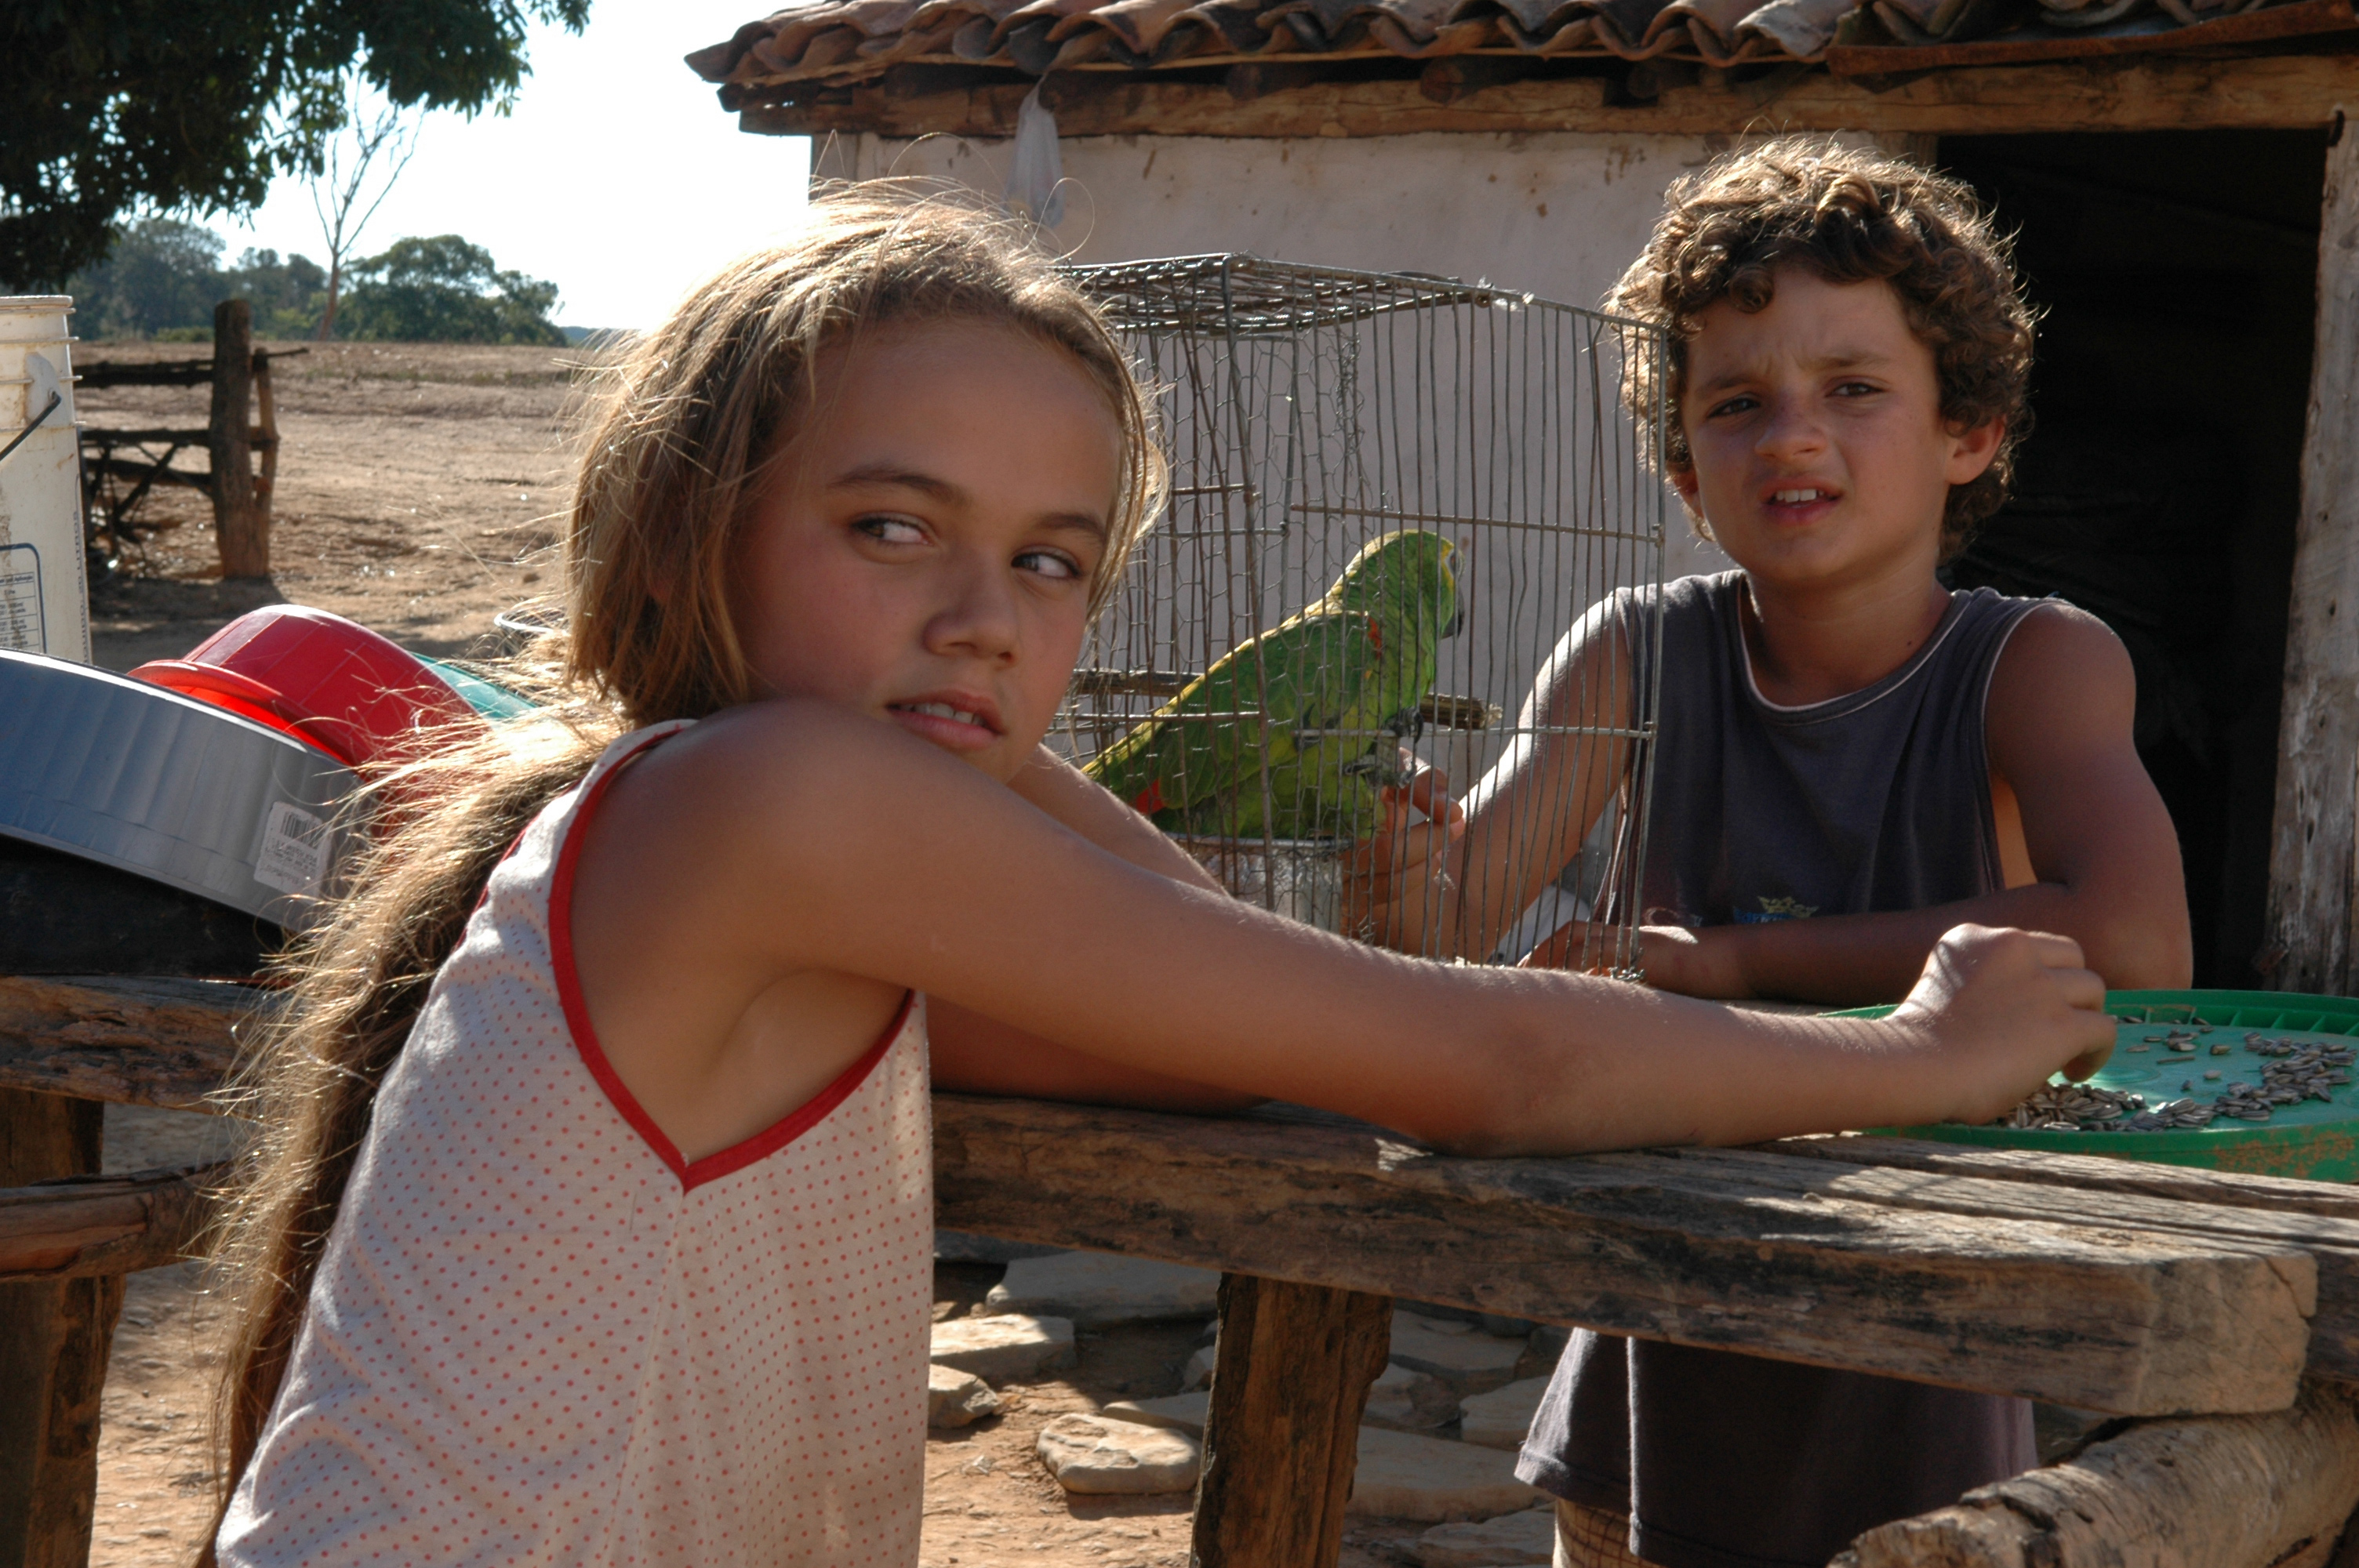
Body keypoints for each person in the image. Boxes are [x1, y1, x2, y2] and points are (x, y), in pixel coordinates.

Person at [199, 185, 2115, 1568]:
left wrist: (983, 738)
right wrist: (1915, 1052)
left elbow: (1220, 1008)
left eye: (1050, 564)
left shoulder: (791, 883)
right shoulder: (767, 804)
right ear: (689, 526)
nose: (981, 615)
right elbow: (1484, 1060)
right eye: (892, 527)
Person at [1374, 142, 2190, 1568]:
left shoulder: (2034, 665)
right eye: (1738, 403)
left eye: (1853, 389)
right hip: (1644, 1375)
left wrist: (1734, 964)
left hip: (1918, 1362)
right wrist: (1391, 862)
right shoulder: (1638, 653)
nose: (1793, 438)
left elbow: (2136, 942)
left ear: (1970, 432)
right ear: (1686, 473)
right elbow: (1438, 931)